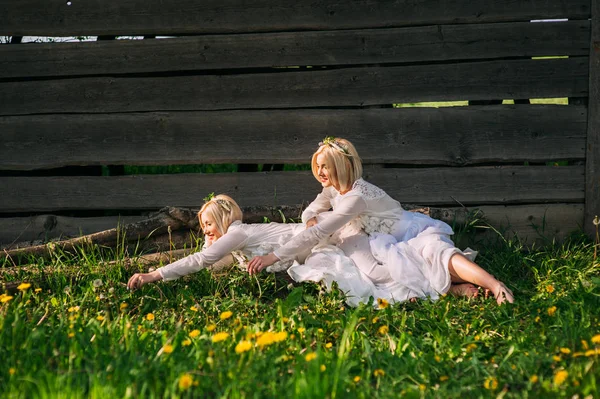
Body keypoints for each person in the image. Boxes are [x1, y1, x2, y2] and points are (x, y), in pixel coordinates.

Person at [247, 137, 514, 305]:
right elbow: (310, 213)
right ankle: (449, 289)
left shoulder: (357, 197)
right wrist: (311, 219)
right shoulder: (333, 189)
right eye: (317, 166)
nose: (319, 172)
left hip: (409, 233)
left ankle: (495, 285)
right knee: (377, 272)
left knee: (436, 252)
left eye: (325, 166)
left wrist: (273, 256)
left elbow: (320, 232)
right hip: (380, 240)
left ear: (342, 166)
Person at [127, 194, 312, 290]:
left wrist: (154, 276)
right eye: (203, 225)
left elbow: (201, 260)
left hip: (313, 241)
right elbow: (211, 264)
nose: (205, 230)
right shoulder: (237, 237)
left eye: (208, 224)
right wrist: (210, 242)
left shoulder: (238, 233)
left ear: (223, 219)